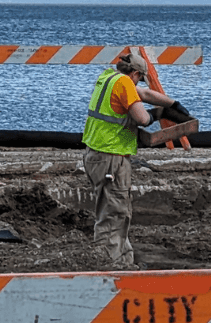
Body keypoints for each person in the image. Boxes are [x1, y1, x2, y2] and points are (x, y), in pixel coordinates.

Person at [81, 49, 189, 267]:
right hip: (111, 156)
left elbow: (146, 95)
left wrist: (172, 104)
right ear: (136, 74)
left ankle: (123, 259)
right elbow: (141, 117)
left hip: (95, 155)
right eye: (140, 78)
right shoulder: (124, 84)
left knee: (114, 210)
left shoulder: (108, 78)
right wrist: (155, 115)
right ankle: (112, 264)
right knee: (114, 212)